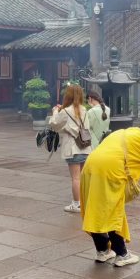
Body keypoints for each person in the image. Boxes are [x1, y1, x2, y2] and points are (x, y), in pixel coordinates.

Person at [80, 127, 140, 266]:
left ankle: (102, 250)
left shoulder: (120, 132)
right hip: (110, 169)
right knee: (112, 209)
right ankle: (122, 254)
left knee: (95, 208)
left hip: (90, 164)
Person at [49, 84, 92, 213]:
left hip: (73, 148)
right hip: (85, 146)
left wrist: (55, 111)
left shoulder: (65, 111)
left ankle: (76, 204)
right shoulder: (84, 109)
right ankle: (85, 201)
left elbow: (54, 124)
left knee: (75, 178)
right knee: (83, 177)